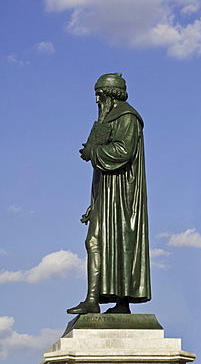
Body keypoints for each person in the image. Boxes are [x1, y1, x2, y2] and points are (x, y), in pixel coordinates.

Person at [67, 73, 151, 315]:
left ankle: (98, 300)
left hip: (123, 197)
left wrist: (92, 151)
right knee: (100, 243)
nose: (96, 100)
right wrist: (95, 203)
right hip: (107, 195)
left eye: (99, 94)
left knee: (106, 243)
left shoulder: (128, 117)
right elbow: (102, 166)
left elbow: (123, 151)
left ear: (111, 95)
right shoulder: (106, 120)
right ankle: (108, 302)